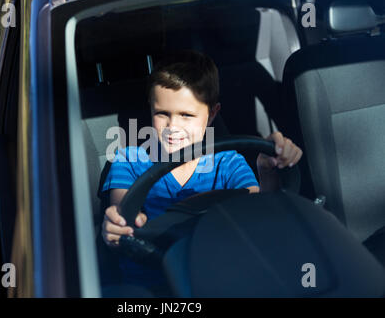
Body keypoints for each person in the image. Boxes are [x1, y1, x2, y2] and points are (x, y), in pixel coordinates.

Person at [100, 50, 303, 295]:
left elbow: (256, 217)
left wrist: (266, 171)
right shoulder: (129, 161)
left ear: (212, 114)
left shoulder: (227, 163)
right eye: (162, 113)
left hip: (220, 276)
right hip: (153, 287)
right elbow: (122, 218)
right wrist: (117, 229)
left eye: (186, 115)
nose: (172, 127)